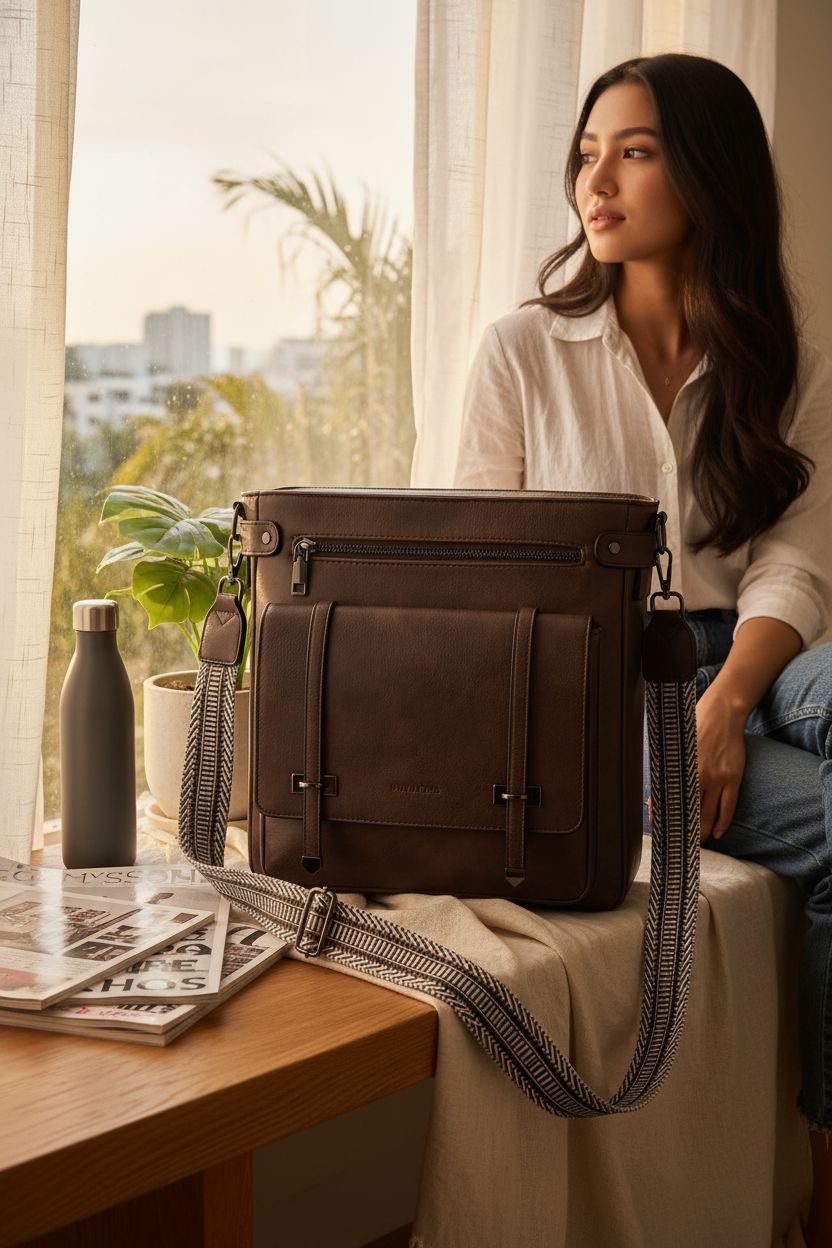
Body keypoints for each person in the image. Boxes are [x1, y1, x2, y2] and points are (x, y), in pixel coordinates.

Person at [453, 52, 832, 1248]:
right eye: (585, 151)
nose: (593, 183)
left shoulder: (787, 353)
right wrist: (686, 714)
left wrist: (726, 699)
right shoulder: (521, 349)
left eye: (634, 150)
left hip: (762, 653)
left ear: (708, 171)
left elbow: (797, 560)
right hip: (607, 690)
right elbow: (481, 579)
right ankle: (827, 1170)